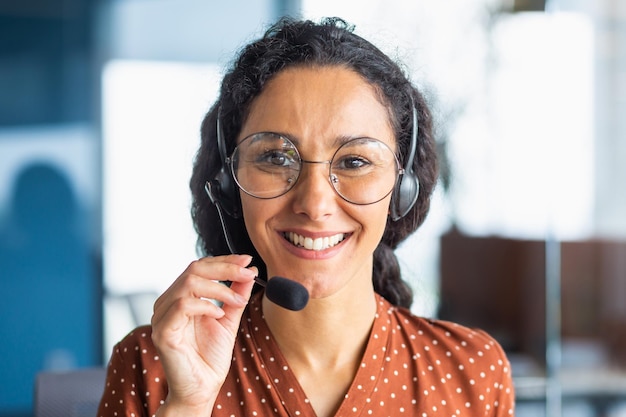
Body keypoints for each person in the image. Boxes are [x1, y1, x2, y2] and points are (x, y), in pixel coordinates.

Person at [97, 17, 515, 417]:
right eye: (276, 157)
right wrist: (187, 406)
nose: (315, 204)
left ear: (402, 188)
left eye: (354, 161)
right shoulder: (155, 365)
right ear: (228, 182)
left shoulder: (472, 373)